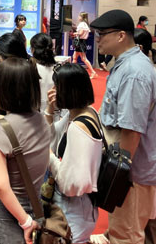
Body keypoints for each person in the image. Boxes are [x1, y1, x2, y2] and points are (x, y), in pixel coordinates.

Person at [89, 9, 156, 244]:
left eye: (102, 34)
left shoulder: (134, 72)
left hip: (131, 170)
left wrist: (116, 175)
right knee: (122, 225)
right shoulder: (127, 64)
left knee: (127, 234)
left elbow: (131, 131)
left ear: (121, 35)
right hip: (128, 165)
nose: (98, 40)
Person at [0, 58, 49, 244]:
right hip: (34, 202)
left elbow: (1, 186)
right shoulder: (41, 119)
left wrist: (26, 222)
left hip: (6, 213)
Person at [45, 63, 103, 243]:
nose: (53, 91)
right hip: (78, 209)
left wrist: (48, 156)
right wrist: (49, 110)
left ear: (68, 91)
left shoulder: (79, 127)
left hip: (73, 213)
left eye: (57, 87)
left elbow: (69, 184)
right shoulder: (82, 113)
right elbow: (52, 138)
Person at [133, 28, 156, 244]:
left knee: (148, 197)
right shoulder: (153, 70)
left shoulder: (144, 72)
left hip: (146, 140)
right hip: (151, 138)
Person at [30, 33, 56, 113]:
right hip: (55, 114)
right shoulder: (58, 68)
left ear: (33, 49)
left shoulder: (30, 68)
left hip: (34, 114)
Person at [73, 12, 97, 79]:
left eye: (79, 16)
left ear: (82, 17)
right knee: (74, 57)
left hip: (80, 42)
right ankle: (73, 72)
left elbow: (80, 33)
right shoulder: (85, 24)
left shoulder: (82, 24)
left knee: (83, 58)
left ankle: (93, 72)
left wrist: (75, 33)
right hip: (81, 42)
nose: (78, 17)